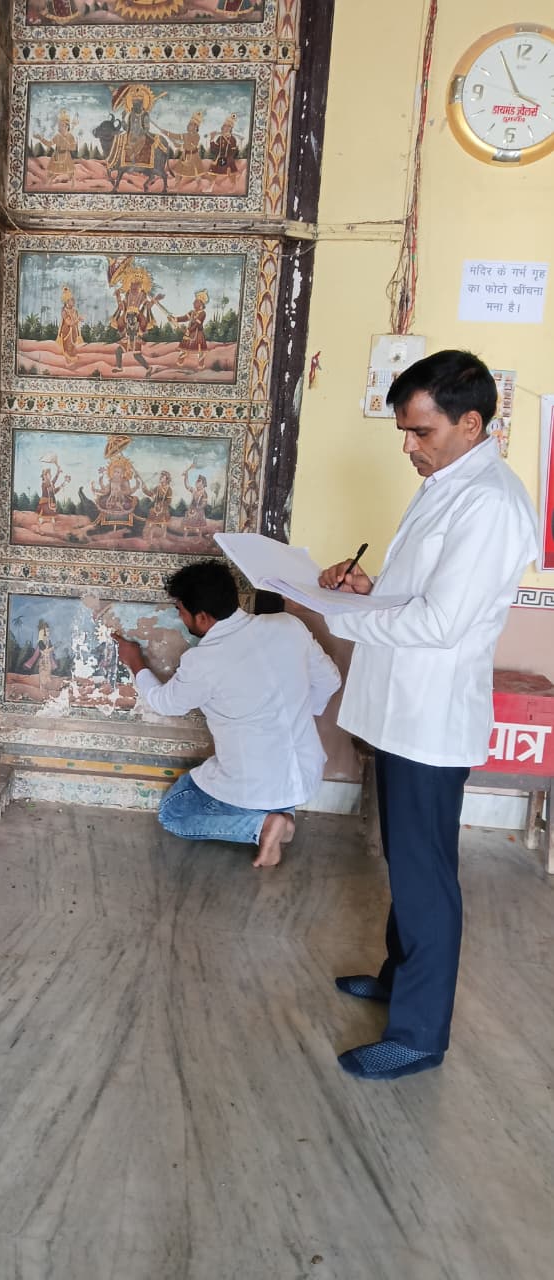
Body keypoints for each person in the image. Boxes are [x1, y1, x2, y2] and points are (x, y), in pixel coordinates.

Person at [318, 349, 537, 1080]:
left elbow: (442, 624)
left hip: (429, 715)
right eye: (404, 432)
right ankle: (397, 977)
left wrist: (340, 615)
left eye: (421, 431)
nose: (409, 447)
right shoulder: (447, 483)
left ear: (470, 424)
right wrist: (367, 589)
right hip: (401, 708)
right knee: (406, 859)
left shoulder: (490, 503)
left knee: (424, 874)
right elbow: (420, 594)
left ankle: (418, 1035)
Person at [115, 561, 340, 867]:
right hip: (306, 776)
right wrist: (293, 712)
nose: (179, 617)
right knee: (262, 783)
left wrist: (135, 662)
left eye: (181, 610)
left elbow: (165, 704)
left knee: (174, 811)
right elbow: (330, 680)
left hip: (253, 785)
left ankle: (261, 826)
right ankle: (280, 815)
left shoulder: (203, 661)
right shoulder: (289, 626)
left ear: (202, 617)